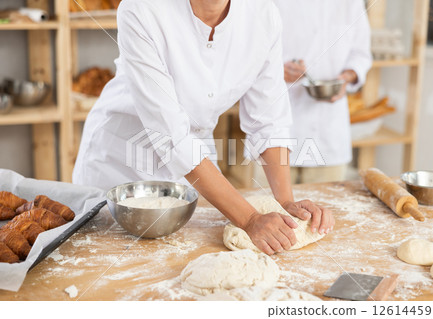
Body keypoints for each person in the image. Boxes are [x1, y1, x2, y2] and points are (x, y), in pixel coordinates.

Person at [73, 0, 334, 255]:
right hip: (119, 167)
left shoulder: (263, 14)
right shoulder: (141, 9)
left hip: (197, 170)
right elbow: (172, 137)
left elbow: (269, 120)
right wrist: (250, 219)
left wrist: (285, 203)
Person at [273, 0, 373, 184]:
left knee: (325, 208)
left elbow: (361, 54)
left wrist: (347, 77)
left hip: (328, 132)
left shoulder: (351, 3)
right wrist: (276, 69)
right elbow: (250, 49)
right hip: (276, 126)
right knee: (269, 209)